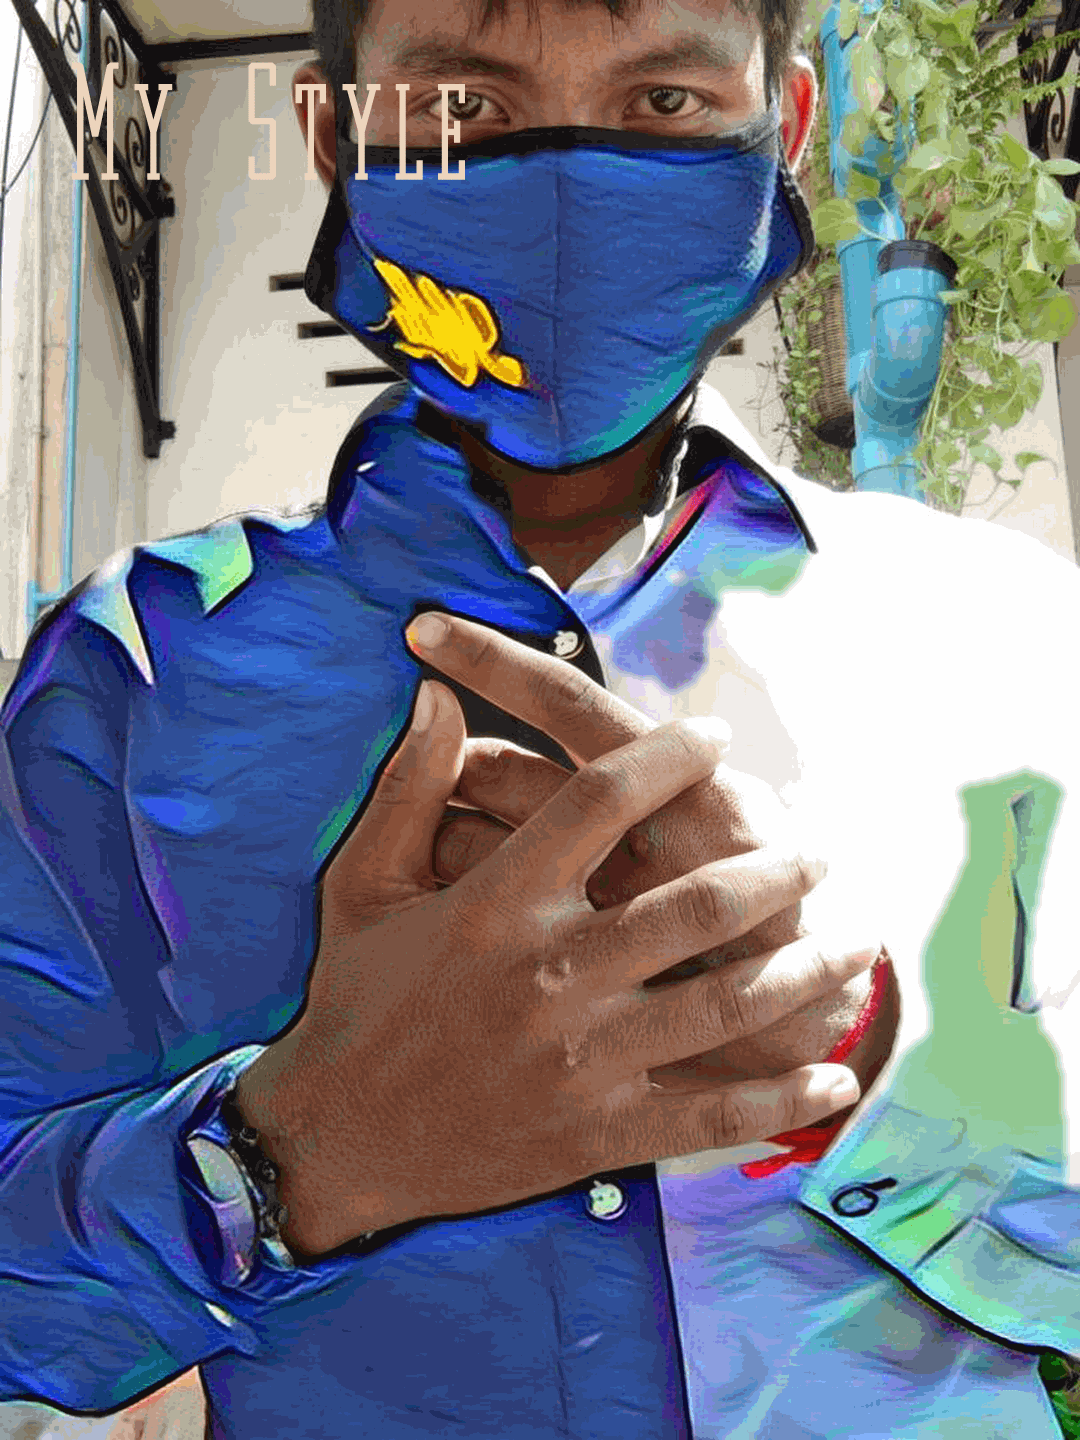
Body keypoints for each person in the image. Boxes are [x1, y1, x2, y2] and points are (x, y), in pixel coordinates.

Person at [1, 0, 1079, 1436]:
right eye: (465, 110)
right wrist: (289, 1157)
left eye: (664, 104)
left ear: (786, 127)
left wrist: (857, 1057)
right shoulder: (136, 668)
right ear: (334, 137)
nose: (573, 190)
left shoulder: (1009, 629)